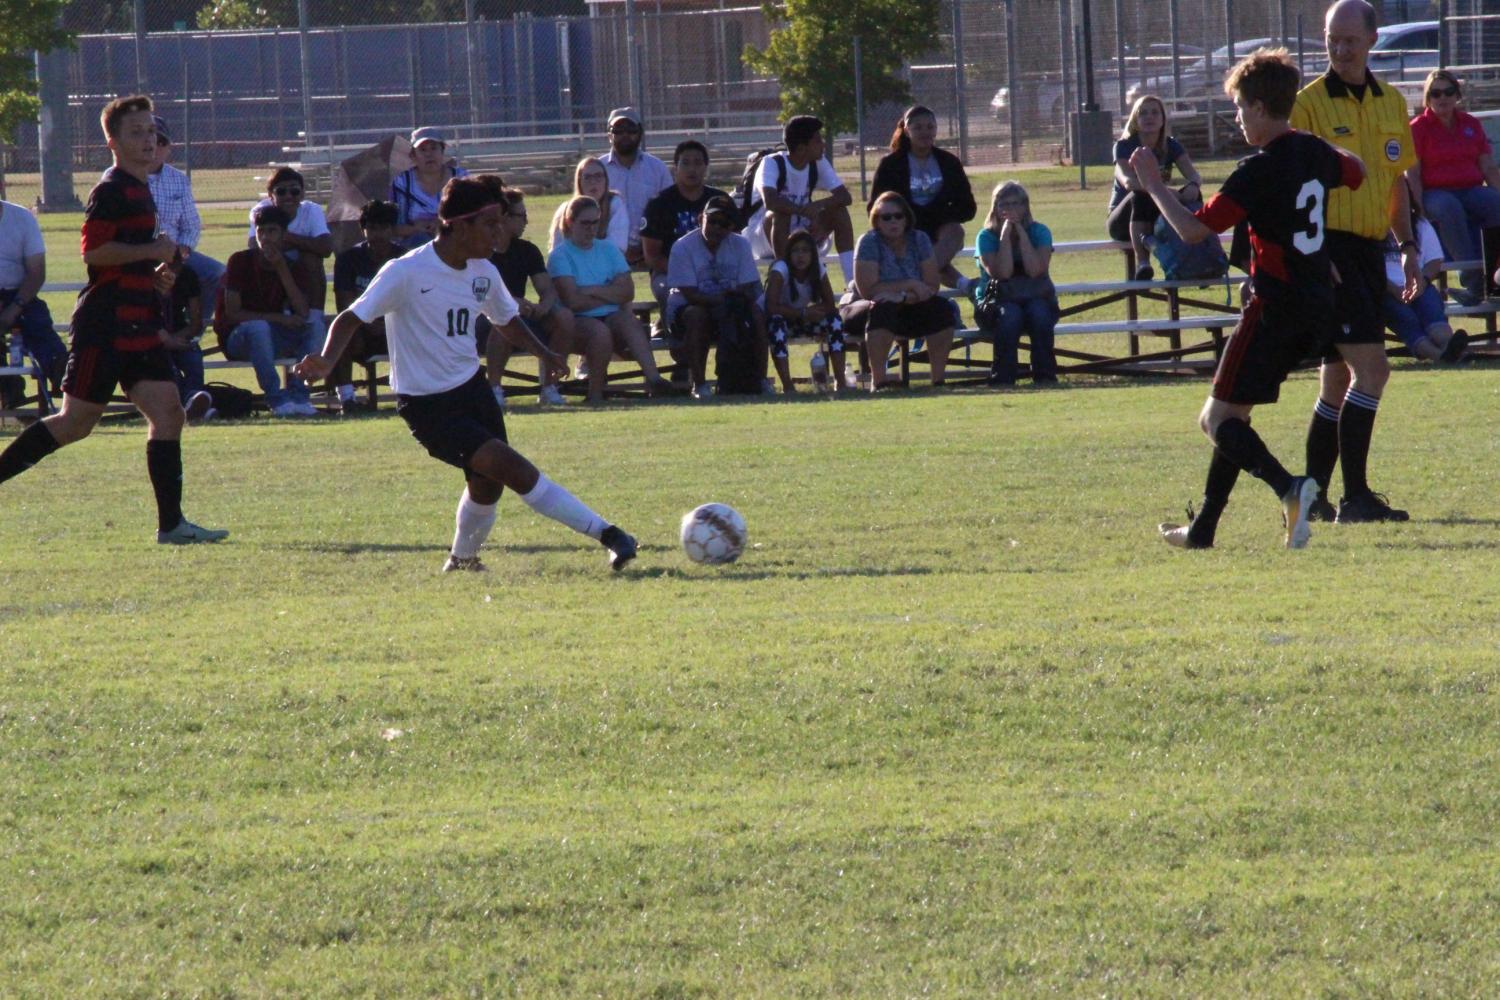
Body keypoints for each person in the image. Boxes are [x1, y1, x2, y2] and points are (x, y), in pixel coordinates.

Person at [293, 178, 638, 574]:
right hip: (427, 405)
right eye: (490, 224)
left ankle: (461, 560)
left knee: (487, 483)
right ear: (458, 225)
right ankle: (610, 535)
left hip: (471, 390)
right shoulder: (406, 271)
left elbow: (505, 320)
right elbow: (351, 317)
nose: (499, 232)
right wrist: (324, 359)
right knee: (515, 470)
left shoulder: (483, 272)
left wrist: (545, 353)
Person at [1140, 48, 1365, 551]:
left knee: (1214, 421)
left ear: (1262, 107)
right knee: (1233, 416)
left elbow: (1195, 230)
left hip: (1275, 309)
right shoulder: (1312, 150)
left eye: (1241, 108)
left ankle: (1291, 488)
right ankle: (1203, 531)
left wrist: (1154, 186)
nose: (1238, 118)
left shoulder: (1256, 169)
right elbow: (1358, 171)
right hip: (1316, 307)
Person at [0, 94, 226, 545]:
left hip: (140, 322)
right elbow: (95, 253)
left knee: (169, 414)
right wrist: (152, 251)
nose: (148, 140)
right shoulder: (112, 189)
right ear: (113, 143)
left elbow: (128, 260)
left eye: (152, 132)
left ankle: (172, 526)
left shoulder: (142, 187)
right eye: (136, 133)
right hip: (105, 326)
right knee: (74, 424)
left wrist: (157, 276)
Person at [1291, 0, 1420, 524]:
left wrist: (1408, 248)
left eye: (1349, 40)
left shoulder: (1391, 102)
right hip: (1331, 252)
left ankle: (1312, 497)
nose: (1340, 49)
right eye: (1332, 39)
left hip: (1370, 252)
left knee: (1338, 381)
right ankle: (1356, 497)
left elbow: (1395, 188)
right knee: (1374, 370)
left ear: (1371, 40)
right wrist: (1314, 257)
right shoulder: (1308, 105)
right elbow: (1293, 189)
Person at [477, 184, 603, 405]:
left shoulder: (527, 250)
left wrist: (545, 305)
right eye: (521, 216)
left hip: (521, 317)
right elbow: (475, 296)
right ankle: (494, 389)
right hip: (483, 322)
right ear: (504, 217)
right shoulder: (479, 251)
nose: (526, 221)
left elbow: (547, 289)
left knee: (563, 317)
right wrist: (510, 302)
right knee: (503, 317)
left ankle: (550, 386)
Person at [548, 195, 673, 398]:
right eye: (585, 223)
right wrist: (609, 292)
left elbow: (627, 292)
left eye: (595, 222)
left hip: (611, 316)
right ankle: (596, 394)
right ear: (571, 222)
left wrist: (592, 290)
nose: (591, 228)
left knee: (629, 322)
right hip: (575, 323)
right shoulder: (560, 255)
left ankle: (655, 380)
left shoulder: (608, 249)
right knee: (599, 331)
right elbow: (573, 302)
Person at [840, 192, 955, 391]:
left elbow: (931, 286)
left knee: (942, 308)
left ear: (906, 218)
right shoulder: (868, 242)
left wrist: (902, 296)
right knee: (883, 308)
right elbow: (868, 289)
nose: (893, 221)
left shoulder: (920, 239)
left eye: (898, 216)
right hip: (864, 307)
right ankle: (880, 382)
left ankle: (938, 381)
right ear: (876, 220)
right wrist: (910, 283)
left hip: (910, 305)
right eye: (886, 217)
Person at [218, 204, 325, 417]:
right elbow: (233, 313)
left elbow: (303, 311)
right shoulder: (240, 261)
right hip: (239, 338)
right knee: (258, 328)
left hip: (273, 336)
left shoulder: (292, 265)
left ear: (284, 235)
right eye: (261, 231)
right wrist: (277, 318)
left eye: (272, 231)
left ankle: (300, 395)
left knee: (316, 327)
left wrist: (281, 268)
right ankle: (276, 399)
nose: (265, 237)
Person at [1406, 69, 1500, 304]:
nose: (1442, 98)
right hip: (1434, 193)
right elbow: (1413, 173)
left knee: (1494, 203)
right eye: (1435, 93)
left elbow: (1488, 167)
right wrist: (1417, 210)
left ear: (1457, 95)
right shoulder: (1418, 128)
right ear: (1428, 98)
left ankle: (1496, 279)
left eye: (1448, 92)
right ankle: (1473, 283)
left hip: (1470, 189)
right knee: (1449, 207)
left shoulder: (1470, 124)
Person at [664, 195, 767, 399]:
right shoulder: (682, 247)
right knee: (697, 315)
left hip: (728, 307)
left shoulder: (741, 245)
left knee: (756, 313)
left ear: (732, 227)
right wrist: (725, 300)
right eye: (712, 221)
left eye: (724, 223)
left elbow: (748, 287)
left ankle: (759, 380)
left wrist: (729, 302)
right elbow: (690, 294)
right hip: (686, 310)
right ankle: (700, 385)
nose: (717, 228)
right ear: (701, 218)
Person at [868, 105, 977, 291]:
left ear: (936, 130)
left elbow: (968, 207)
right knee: (926, 250)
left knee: (955, 232)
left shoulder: (949, 162)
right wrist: (901, 220)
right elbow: (875, 207)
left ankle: (912, 278)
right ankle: (965, 284)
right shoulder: (890, 164)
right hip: (903, 229)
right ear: (906, 130)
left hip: (939, 230)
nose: (924, 132)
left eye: (930, 127)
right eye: (917, 127)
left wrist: (941, 214)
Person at [745, 115, 857, 288]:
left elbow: (845, 197)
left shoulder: (817, 162)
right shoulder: (772, 163)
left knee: (839, 211)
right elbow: (771, 202)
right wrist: (805, 212)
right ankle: (787, 282)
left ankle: (851, 282)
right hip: (763, 236)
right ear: (802, 148)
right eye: (818, 140)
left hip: (799, 227)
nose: (823, 145)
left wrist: (817, 208)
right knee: (780, 213)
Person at [1107, 95, 1205, 281]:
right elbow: (1128, 182)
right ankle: (1143, 264)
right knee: (1142, 193)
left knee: (1193, 194)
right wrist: (1167, 192)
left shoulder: (1171, 145)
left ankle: (1197, 254)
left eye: (1154, 112)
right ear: (1135, 119)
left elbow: (1194, 175)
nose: (1149, 117)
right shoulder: (1124, 146)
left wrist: (1192, 186)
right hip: (1122, 219)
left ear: (1163, 118)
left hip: (1156, 214)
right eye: (1143, 113)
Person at [974, 181, 1059, 387]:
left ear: (1025, 206)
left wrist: (1021, 233)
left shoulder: (1040, 232)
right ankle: (1003, 378)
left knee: (1038, 313)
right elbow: (1002, 273)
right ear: (995, 208)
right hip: (996, 302)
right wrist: (1004, 236)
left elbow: (1035, 270)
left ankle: (1045, 377)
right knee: (1010, 315)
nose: (1010, 210)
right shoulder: (985, 237)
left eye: (1016, 204)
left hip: (1036, 297)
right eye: (1004, 205)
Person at [146, 114, 225, 318]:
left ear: (169, 148)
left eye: (161, 142)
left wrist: (183, 249)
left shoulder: (179, 180)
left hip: (177, 253)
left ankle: (193, 325)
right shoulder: (120, 176)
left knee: (219, 274)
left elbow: (191, 225)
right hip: (141, 254)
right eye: (151, 140)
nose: (156, 147)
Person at [330, 199, 403, 415]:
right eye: (371, 228)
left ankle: (414, 395)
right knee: (342, 333)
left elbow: (411, 301)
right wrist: (368, 323)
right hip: (361, 327)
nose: (377, 234)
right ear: (363, 229)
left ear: (393, 230)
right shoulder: (348, 259)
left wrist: (386, 322)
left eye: (383, 228)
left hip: (397, 327)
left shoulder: (404, 258)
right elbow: (344, 302)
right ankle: (347, 399)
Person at [1382, 178, 1468, 362]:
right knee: (1406, 319)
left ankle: (1449, 345)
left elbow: (1434, 260)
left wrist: (1423, 281)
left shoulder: (1419, 224)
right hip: (1385, 289)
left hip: (1419, 284)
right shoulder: (1371, 229)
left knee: (1432, 312)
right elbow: (1369, 267)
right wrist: (1393, 289)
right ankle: (1442, 356)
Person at [641, 140, 729, 311]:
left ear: (706, 167)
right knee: (669, 292)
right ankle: (673, 331)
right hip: (669, 274)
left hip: (717, 270)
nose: (692, 169)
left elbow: (734, 242)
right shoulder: (659, 204)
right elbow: (652, 257)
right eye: (685, 163)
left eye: (698, 163)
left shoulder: (720, 201)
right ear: (676, 167)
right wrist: (690, 273)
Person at [0, 198, 67, 409]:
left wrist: (14, 307)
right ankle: (10, 392)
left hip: (20, 294)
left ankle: (64, 379)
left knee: (38, 324)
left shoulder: (21, 218)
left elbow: (37, 272)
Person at [763, 229, 846, 394]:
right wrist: (802, 313)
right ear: (788, 253)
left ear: (813, 254)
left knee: (835, 321)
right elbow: (770, 307)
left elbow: (830, 304)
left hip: (804, 319)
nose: (800, 256)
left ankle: (841, 382)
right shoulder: (780, 269)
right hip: (780, 321)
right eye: (795, 250)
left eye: (805, 250)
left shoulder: (818, 269)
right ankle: (788, 386)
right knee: (777, 324)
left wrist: (815, 312)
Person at [599, 108, 673, 267]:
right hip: (605, 251)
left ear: (640, 133)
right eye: (618, 130)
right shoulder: (598, 169)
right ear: (609, 135)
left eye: (631, 130)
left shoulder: (658, 169)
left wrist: (648, 247)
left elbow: (669, 212)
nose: (625, 135)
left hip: (652, 248)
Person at [390, 126, 470, 249]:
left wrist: (443, 223)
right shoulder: (402, 183)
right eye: (422, 150)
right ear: (413, 155)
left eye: (434, 148)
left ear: (442, 151)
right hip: (415, 248)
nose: (429, 154)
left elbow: (472, 216)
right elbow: (394, 228)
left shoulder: (461, 178)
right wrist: (416, 229)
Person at [162, 262, 214, 422]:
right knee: (167, 366)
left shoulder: (188, 276)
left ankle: (194, 399)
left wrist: (180, 337)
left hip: (180, 335)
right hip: (154, 340)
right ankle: (187, 407)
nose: (173, 276)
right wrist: (167, 341)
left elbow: (195, 321)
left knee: (193, 359)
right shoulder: (143, 280)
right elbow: (143, 323)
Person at [549, 157, 631, 256]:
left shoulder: (615, 204)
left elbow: (618, 246)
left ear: (606, 180)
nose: (593, 182)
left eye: (598, 176)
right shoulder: (565, 210)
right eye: (587, 177)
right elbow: (557, 251)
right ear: (579, 182)